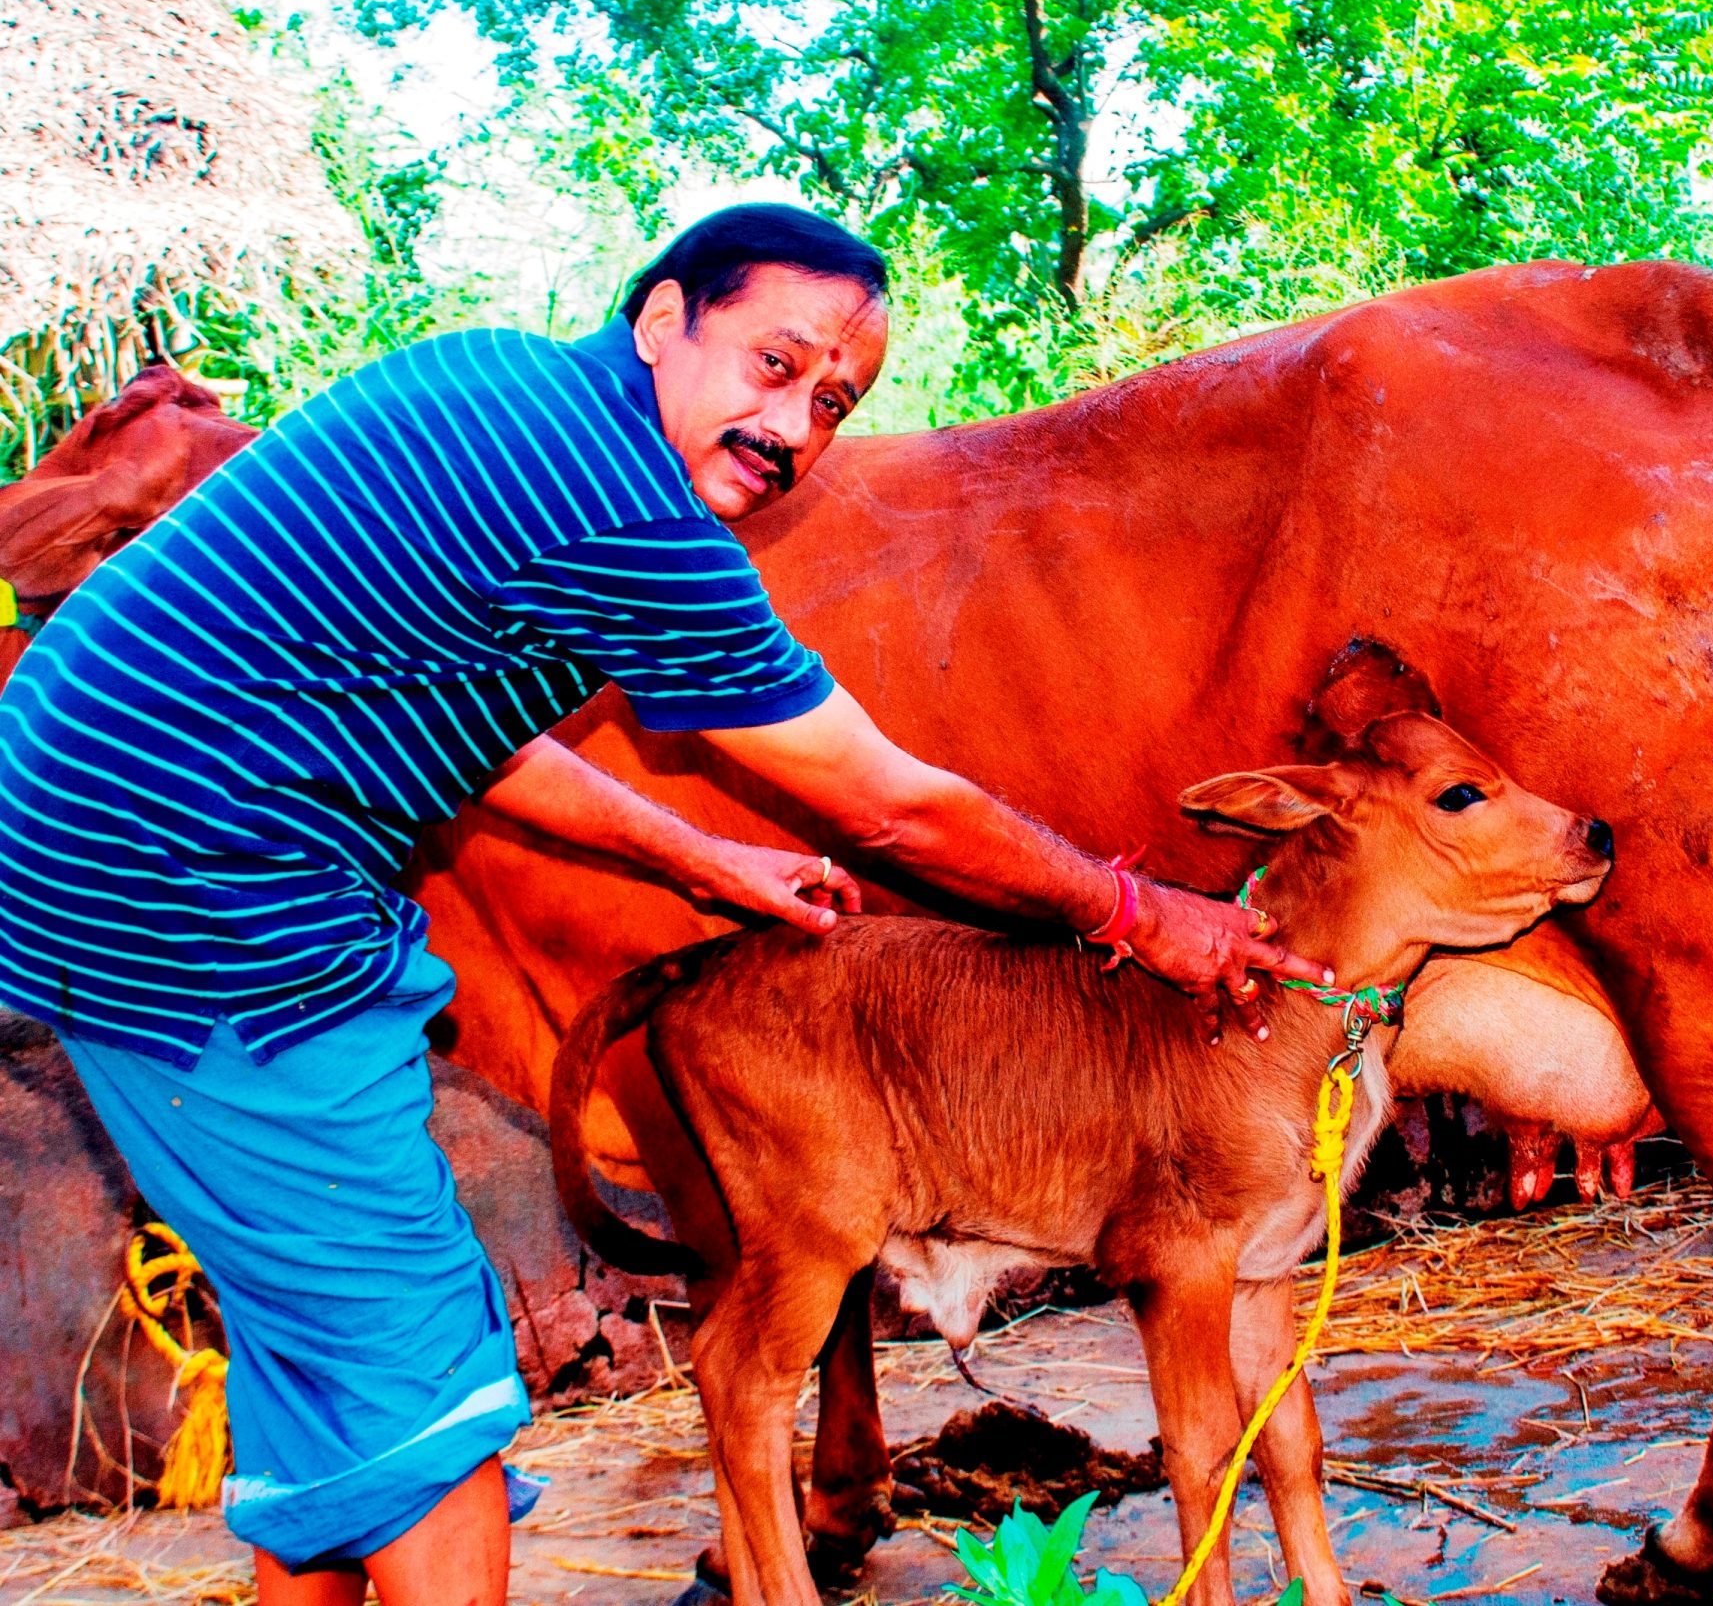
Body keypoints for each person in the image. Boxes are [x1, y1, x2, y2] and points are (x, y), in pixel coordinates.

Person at [0, 204, 1329, 1604]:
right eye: (774, 363)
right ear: (660, 322)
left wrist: (701, 861)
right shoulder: (627, 510)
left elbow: (460, 720)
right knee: (432, 1400)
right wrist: (1137, 913)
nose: (796, 423)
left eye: (834, 400)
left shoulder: (502, 389)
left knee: (330, 1388)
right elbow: (889, 805)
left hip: (105, 880)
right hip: (207, 914)